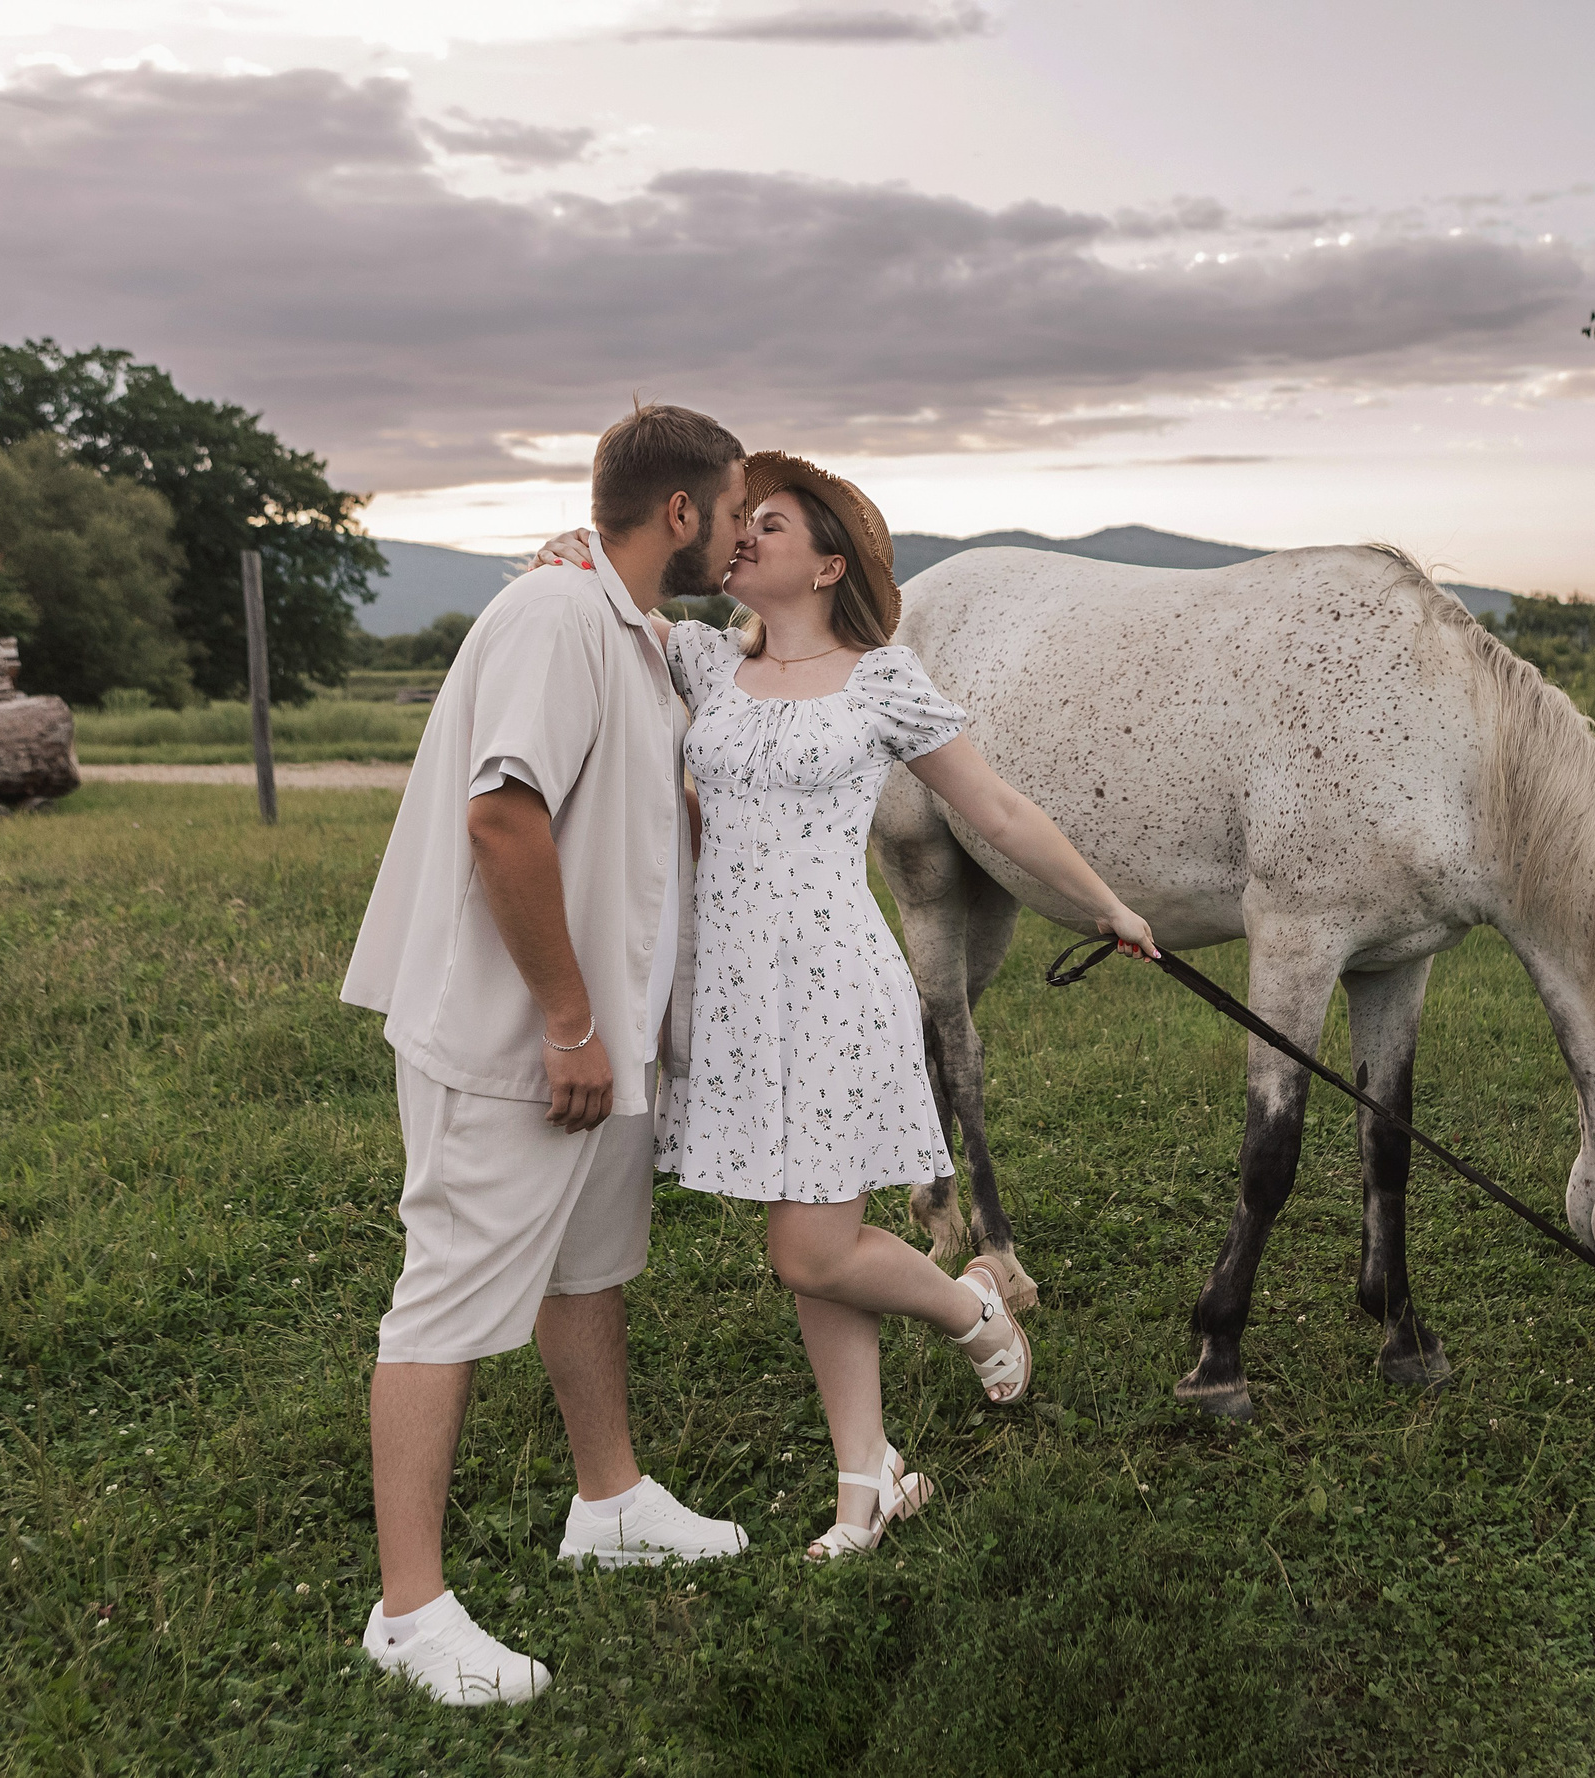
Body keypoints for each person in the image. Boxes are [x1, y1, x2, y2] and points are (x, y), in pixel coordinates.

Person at [532, 453, 1157, 1562]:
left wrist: (1106, 903)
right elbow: (608, 579)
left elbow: (1000, 810)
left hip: (832, 988)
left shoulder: (881, 680)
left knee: (807, 1245)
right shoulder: (702, 660)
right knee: (812, 1237)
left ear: (826, 563)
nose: (741, 535)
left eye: (766, 523)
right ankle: (866, 1482)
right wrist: (564, 559)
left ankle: (970, 1307)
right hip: (732, 995)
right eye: (740, 520)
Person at [338, 403, 755, 1707]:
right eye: (736, 514)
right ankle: (408, 1611)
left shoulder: (626, 633)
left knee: (587, 1270)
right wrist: (569, 1018)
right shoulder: (560, 619)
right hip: (522, 1037)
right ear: (680, 512)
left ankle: (611, 1499)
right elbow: (503, 821)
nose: (744, 540)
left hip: (599, 1042)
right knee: (451, 1291)